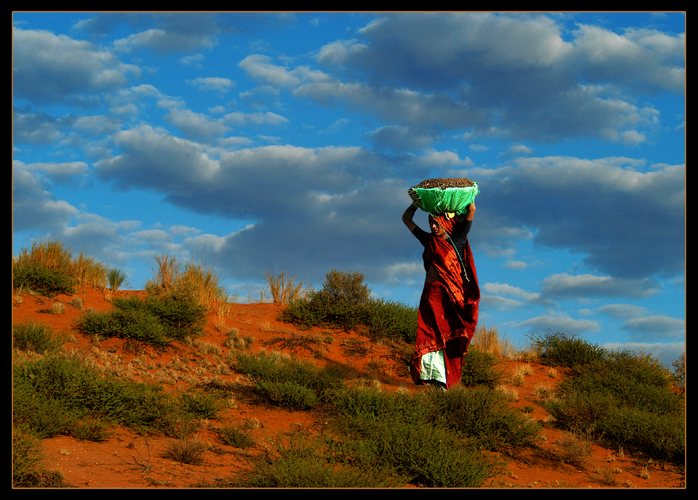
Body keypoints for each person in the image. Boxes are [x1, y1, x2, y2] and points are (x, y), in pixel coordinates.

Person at [402, 201, 480, 390]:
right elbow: (406, 219)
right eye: (431, 224)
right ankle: (429, 374)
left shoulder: (457, 239)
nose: (434, 227)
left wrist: (465, 204)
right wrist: (416, 204)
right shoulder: (429, 240)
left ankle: (443, 379)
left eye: (437, 223)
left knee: (448, 334)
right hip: (431, 295)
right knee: (429, 332)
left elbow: (471, 213)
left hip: (450, 297)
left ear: (446, 222)